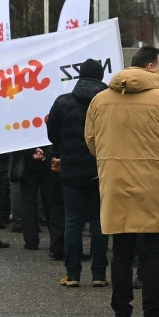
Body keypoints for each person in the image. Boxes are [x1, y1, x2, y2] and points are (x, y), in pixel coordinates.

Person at [86, 46, 159, 317]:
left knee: (121, 251)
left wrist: (111, 161)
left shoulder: (100, 100)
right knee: (156, 251)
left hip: (116, 183)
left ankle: (121, 316)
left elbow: (92, 140)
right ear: (149, 68)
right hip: (156, 184)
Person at [47, 58, 110, 287]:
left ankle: (73, 274)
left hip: (71, 169)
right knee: (99, 221)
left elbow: (52, 134)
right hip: (100, 168)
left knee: (72, 222)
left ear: (80, 75)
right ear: (101, 76)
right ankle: (99, 273)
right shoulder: (108, 102)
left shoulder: (63, 102)